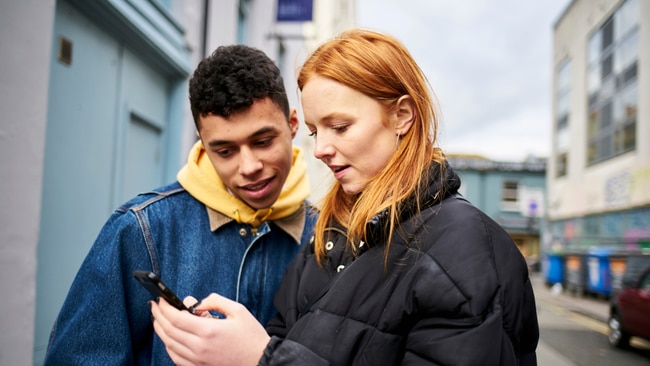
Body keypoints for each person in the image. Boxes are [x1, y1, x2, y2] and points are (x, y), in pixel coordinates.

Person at [151, 29, 540, 365]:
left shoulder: (466, 245)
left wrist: (260, 357)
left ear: (402, 116)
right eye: (317, 131)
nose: (320, 149)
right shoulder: (330, 231)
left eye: (340, 126)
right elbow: (285, 337)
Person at [43, 44, 317, 365]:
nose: (249, 166)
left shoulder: (329, 233)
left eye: (263, 141)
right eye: (225, 151)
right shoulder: (142, 228)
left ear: (293, 124)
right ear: (203, 144)